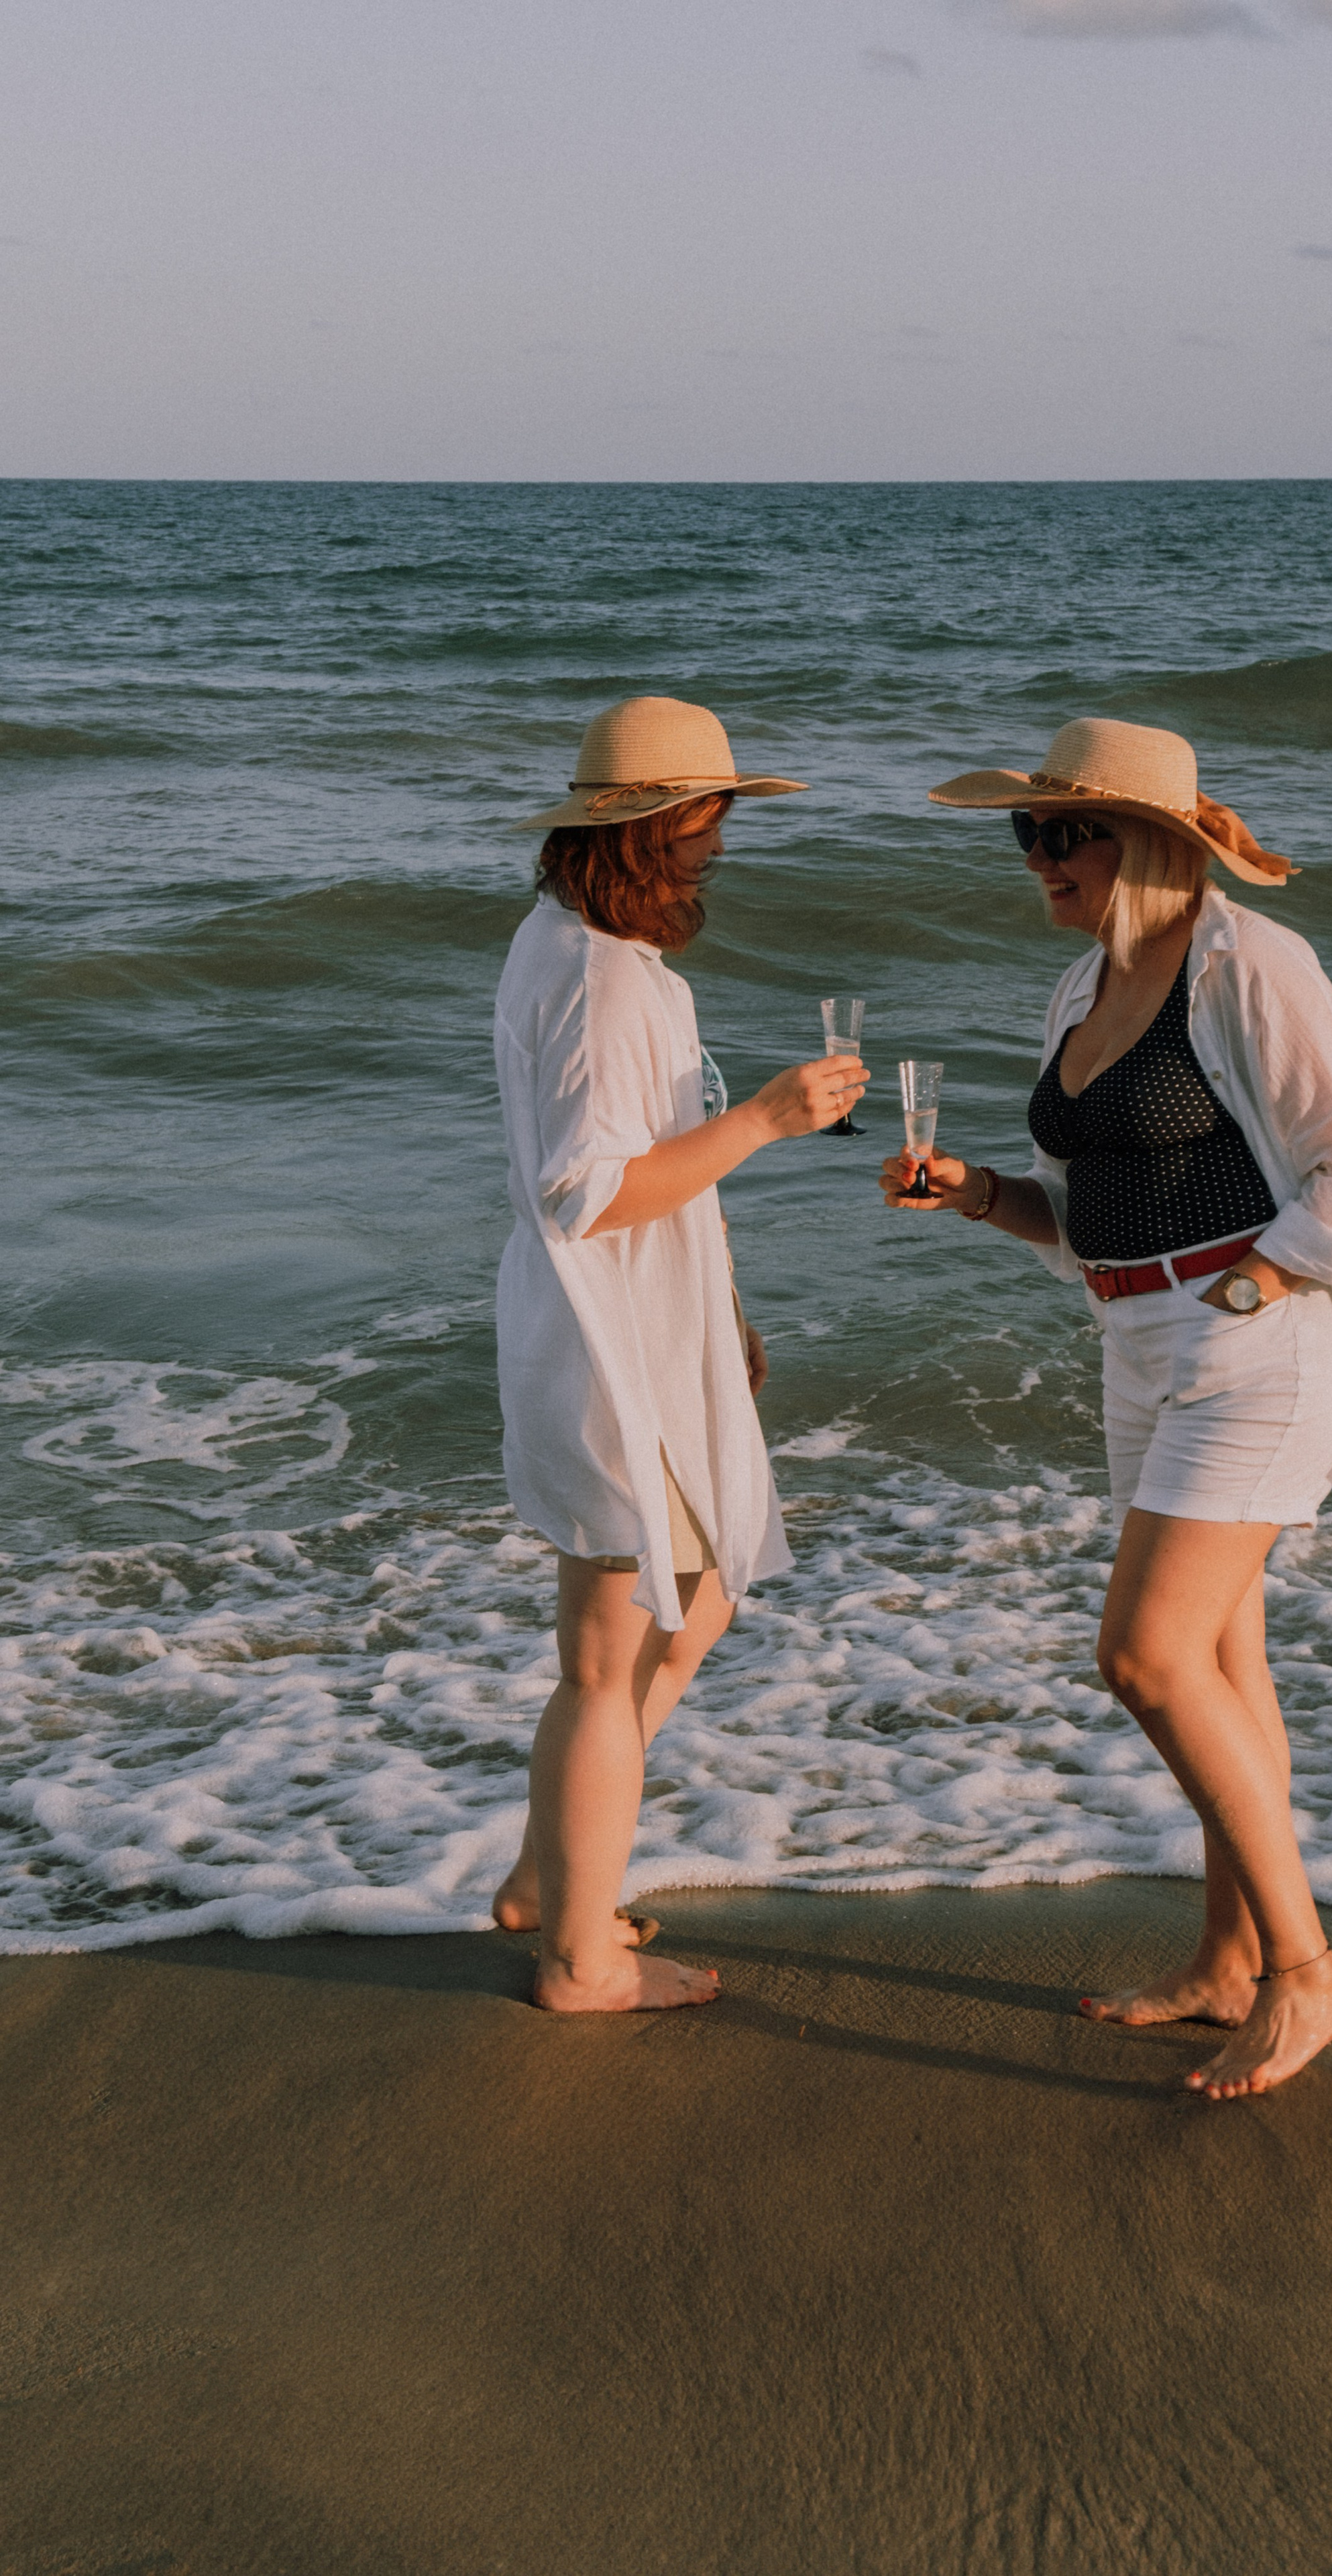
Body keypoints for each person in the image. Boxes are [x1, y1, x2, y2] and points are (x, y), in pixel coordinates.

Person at [882, 719, 1332, 2098]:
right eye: (1024, 833)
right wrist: (970, 1194)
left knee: (1142, 1658)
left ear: (1137, 840)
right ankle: (1224, 1958)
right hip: (1131, 1346)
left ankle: (1310, 1976)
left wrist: (1256, 1287)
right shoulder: (1077, 992)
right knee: (1221, 1668)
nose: (1035, 858)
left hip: (1252, 1354)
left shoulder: (1249, 966)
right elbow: (1084, 1221)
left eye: (1056, 832)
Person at [490, 696, 867, 2014]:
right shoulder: (599, 982)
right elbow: (589, 1192)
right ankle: (580, 1959)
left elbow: (634, 1188)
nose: (720, 842)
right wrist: (767, 1116)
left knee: (697, 1593)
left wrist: (722, 1311)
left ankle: (554, 1876)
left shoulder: (559, 944)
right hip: (607, 1353)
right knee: (607, 1660)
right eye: (706, 819)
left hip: (622, 1332)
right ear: (648, 829)